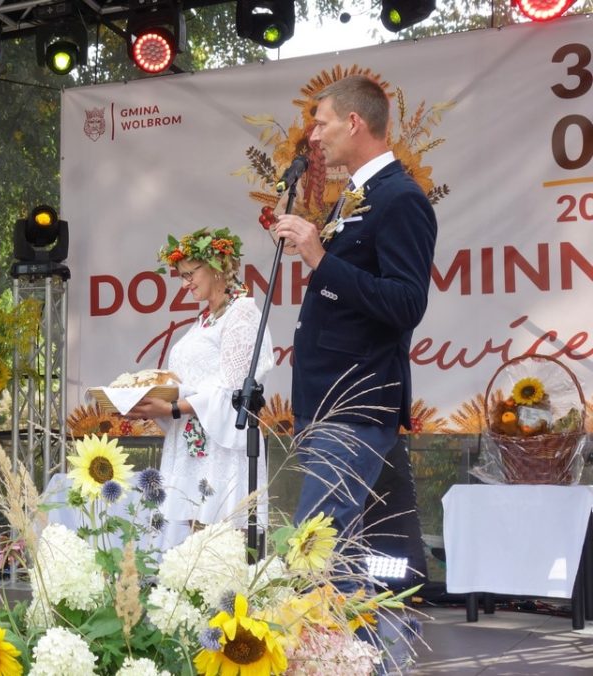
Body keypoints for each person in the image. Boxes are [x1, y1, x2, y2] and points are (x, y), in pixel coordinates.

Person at [271, 74, 436, 593]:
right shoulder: (357, 195)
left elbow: (406, 303)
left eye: (322, 124)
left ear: (354, 122)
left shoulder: (400, 198)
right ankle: (348, 640)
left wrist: (320, 258)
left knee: (313, 549)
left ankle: (317, 641)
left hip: (355, 401)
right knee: (336, 555)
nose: (314, 136)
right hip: (329, 399)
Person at [126, 227, 274, 549]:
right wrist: (151, 397)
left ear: (218, 268)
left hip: (222, 448)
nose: (184, 284)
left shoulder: (241, 313)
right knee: (194, 546)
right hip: (194, 444)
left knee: (222, 543)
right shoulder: (206, 319)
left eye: (189, 274)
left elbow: (234, 389)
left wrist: (172, 408)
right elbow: (192, 383)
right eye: (181, 276)